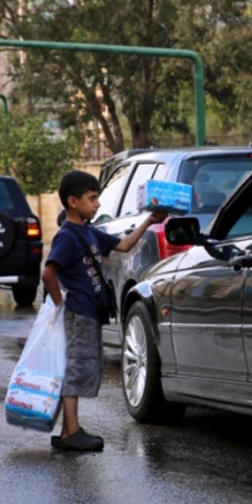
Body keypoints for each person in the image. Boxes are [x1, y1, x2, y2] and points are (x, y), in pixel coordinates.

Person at [41, 170, 167, 451]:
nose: (98, 204)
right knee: (77, 367)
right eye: (92, 198)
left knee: (82, 365)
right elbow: (48, 273)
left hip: (89, 312)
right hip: (78, 312)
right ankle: (71, 432)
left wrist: (149, 221)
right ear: (73, 201)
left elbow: (123, 245)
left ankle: (68, 431)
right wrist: (61, 305)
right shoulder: (67, 236)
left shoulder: (88, 232)